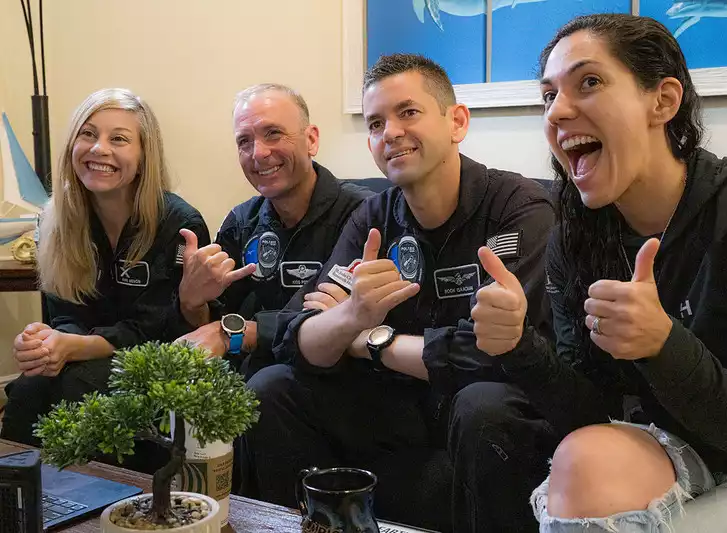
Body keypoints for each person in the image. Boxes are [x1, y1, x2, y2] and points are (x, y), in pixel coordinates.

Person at [471, 14, 727, 532]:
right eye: (549, 95)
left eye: (589, 82)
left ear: (663, 101)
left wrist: (662, 344)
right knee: (583, 458)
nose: (557, 111)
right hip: (669, 448)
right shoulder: (576, 236)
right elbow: (589, 412)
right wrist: (518, 345)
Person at [241, 54, 557, 533]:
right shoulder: (372, 216)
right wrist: (351, 318)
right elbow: (299, 336)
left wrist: (371, 340)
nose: (389, 132)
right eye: (375, 123)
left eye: (407, 112)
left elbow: (499, 353)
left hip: (480, 415)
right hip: (393, 412)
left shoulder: (518, 208)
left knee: (483, 403)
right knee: (273, 386)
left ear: (457, 122)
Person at [2, 88, 210, 445]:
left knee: (71, 389)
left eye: (118, 139)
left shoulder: (179, 224)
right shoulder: (55, 221)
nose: (99, 148)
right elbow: (65, 314)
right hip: (83, 360)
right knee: (26, 391)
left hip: (157, 366)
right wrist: (44, 342)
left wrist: (73, 347)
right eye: (88, 134)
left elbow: (157, 331)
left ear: (144, 156)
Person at [172, 84, 371, 377]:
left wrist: (241, 332)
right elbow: (212, 329)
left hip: (334, 379)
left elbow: (329, 321)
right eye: (244, 141)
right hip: (248, 378)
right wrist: (191, 301)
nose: (259, 153)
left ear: (311, 140)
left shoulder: (363, 215)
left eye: (273, 133)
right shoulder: (242, 222)